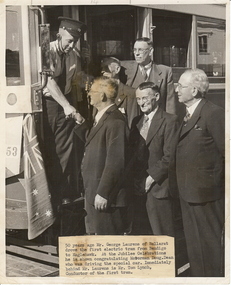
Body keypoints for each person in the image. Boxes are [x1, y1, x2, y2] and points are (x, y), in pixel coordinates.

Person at [169, 69, 225, 277]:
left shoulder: (213, 113)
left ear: (194, 90)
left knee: (209, 249)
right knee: (195, 248)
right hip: (188, 193)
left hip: (206, 195)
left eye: (180, 86)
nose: (176, 90)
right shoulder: (187, 114)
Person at [74, 77, 129, 235]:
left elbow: (115, 161)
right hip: (94, 193)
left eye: (92, 92)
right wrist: (81, 122)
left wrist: (104, 193)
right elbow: (95, 142)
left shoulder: (115, 121)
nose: (89, 95)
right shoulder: (103, 118)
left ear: (103, 96)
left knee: (107, 242)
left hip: (104, 198)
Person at [42, 17, 87, 210]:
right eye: (69, 40)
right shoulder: (47, 50)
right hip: (49, 105)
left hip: (65, 104)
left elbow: (74, 81)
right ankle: (50, 197)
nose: (71, 45)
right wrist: (67, 107)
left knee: (65, 150)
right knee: (49, 149)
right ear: (59, 34)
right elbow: (49, 83)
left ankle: (63, 196)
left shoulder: (73, 56)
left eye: (74, 41)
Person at [129, 82, 178, 235]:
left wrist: (149, 180)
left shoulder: (170, 120)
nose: (141, 103)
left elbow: (170, 156)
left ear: (156, 97)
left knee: (162, 236)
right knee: (141, 236)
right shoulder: (136, 121)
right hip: (137, 189)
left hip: (158, 188)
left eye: (144, 98)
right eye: (138, 99)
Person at [121, 37, 176, 115]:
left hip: (156, 120)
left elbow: (170, 102)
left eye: (140, 50)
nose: (136, 53)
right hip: (133, 120)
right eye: (134, 50)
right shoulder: (126, 71)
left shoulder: (165, 71)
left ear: (150, 51)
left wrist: (171, 123)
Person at [101, 57, 140, 128]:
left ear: (117, 69)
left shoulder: (130, 93)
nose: (102, 71)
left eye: (106, 68)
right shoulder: (101, 94)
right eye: (102, 69)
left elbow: (132, 125)